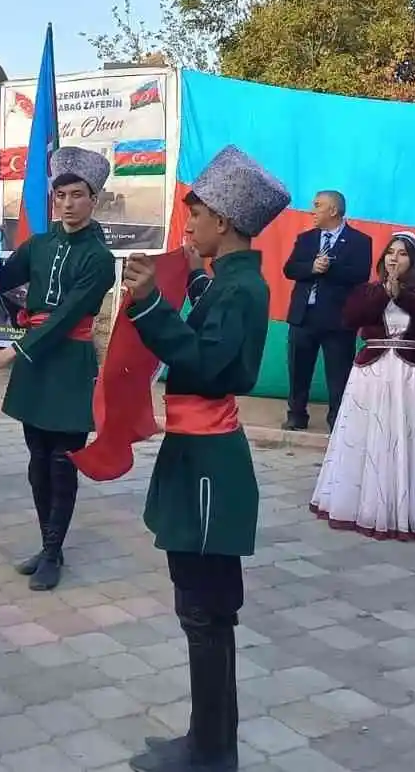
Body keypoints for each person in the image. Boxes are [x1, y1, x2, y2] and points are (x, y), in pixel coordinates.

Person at [120, 145, 289, 772]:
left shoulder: (243, 289)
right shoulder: (232, 280)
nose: (188, 226)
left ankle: (214, 751)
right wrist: (188, 280)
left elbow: (208, 363)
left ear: (224, 219)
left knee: (207, 612)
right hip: (198, 456)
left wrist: (152, 307)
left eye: (195, 215)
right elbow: (210, 329)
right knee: (201, 609)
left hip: (209, 465)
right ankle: (205, 740)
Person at [0, 147, 116, 591]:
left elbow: (64, 318)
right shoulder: (39, 244)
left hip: (68, 363)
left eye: (78, 195)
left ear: (93, 199)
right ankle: (46, 543)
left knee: (62, 461)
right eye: (61, 196)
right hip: (37, 365)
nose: (68, 204)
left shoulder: (98, 257)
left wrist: (12, 352)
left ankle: (55, 552)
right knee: (37, 458)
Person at [310, 233, 415, 543]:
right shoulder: (366, 291)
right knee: (371, 435)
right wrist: (386, 293)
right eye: (390, 253)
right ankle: (365, 504)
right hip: (373, 372)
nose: (394, 259)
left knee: (409, 436)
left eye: (402, 254)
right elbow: (352, 317)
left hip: (411, 375)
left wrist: (402, 295)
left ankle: (413, 508)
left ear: (414, 261)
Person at [281, 190, 372, 430]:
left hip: (338, 320)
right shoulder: (306, 239)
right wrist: (311, 267)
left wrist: (329, 268)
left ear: (333, 210)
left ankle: (338, 420)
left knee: (338, 374)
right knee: (298, 370)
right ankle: (297, 415)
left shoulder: (360, 241)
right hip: (303, 316)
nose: (313, 210)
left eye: (318, 205)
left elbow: (360, 275)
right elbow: (290, 269)